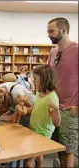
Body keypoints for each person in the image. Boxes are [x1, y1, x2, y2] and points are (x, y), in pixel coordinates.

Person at [47, 17, 78, 168]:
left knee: (68, 149)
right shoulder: (53, 52)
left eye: (51, 31)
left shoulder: (77, 50)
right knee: (58, 146)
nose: (48, 35)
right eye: (48, 31)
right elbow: (49, 76)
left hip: (69, 109)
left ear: (64, 30)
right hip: (54, 107)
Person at [16, 65, 61, 167]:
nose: (33, 81)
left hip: (43, 134)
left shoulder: (52, 98)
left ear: (44, 80)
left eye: (35, 79)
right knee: (39, 156)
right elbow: (34, 108)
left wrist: (57, 110)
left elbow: (56, 123)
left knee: (28, 163)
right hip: (34, 130)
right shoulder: (39, 93)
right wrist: (26, 110)